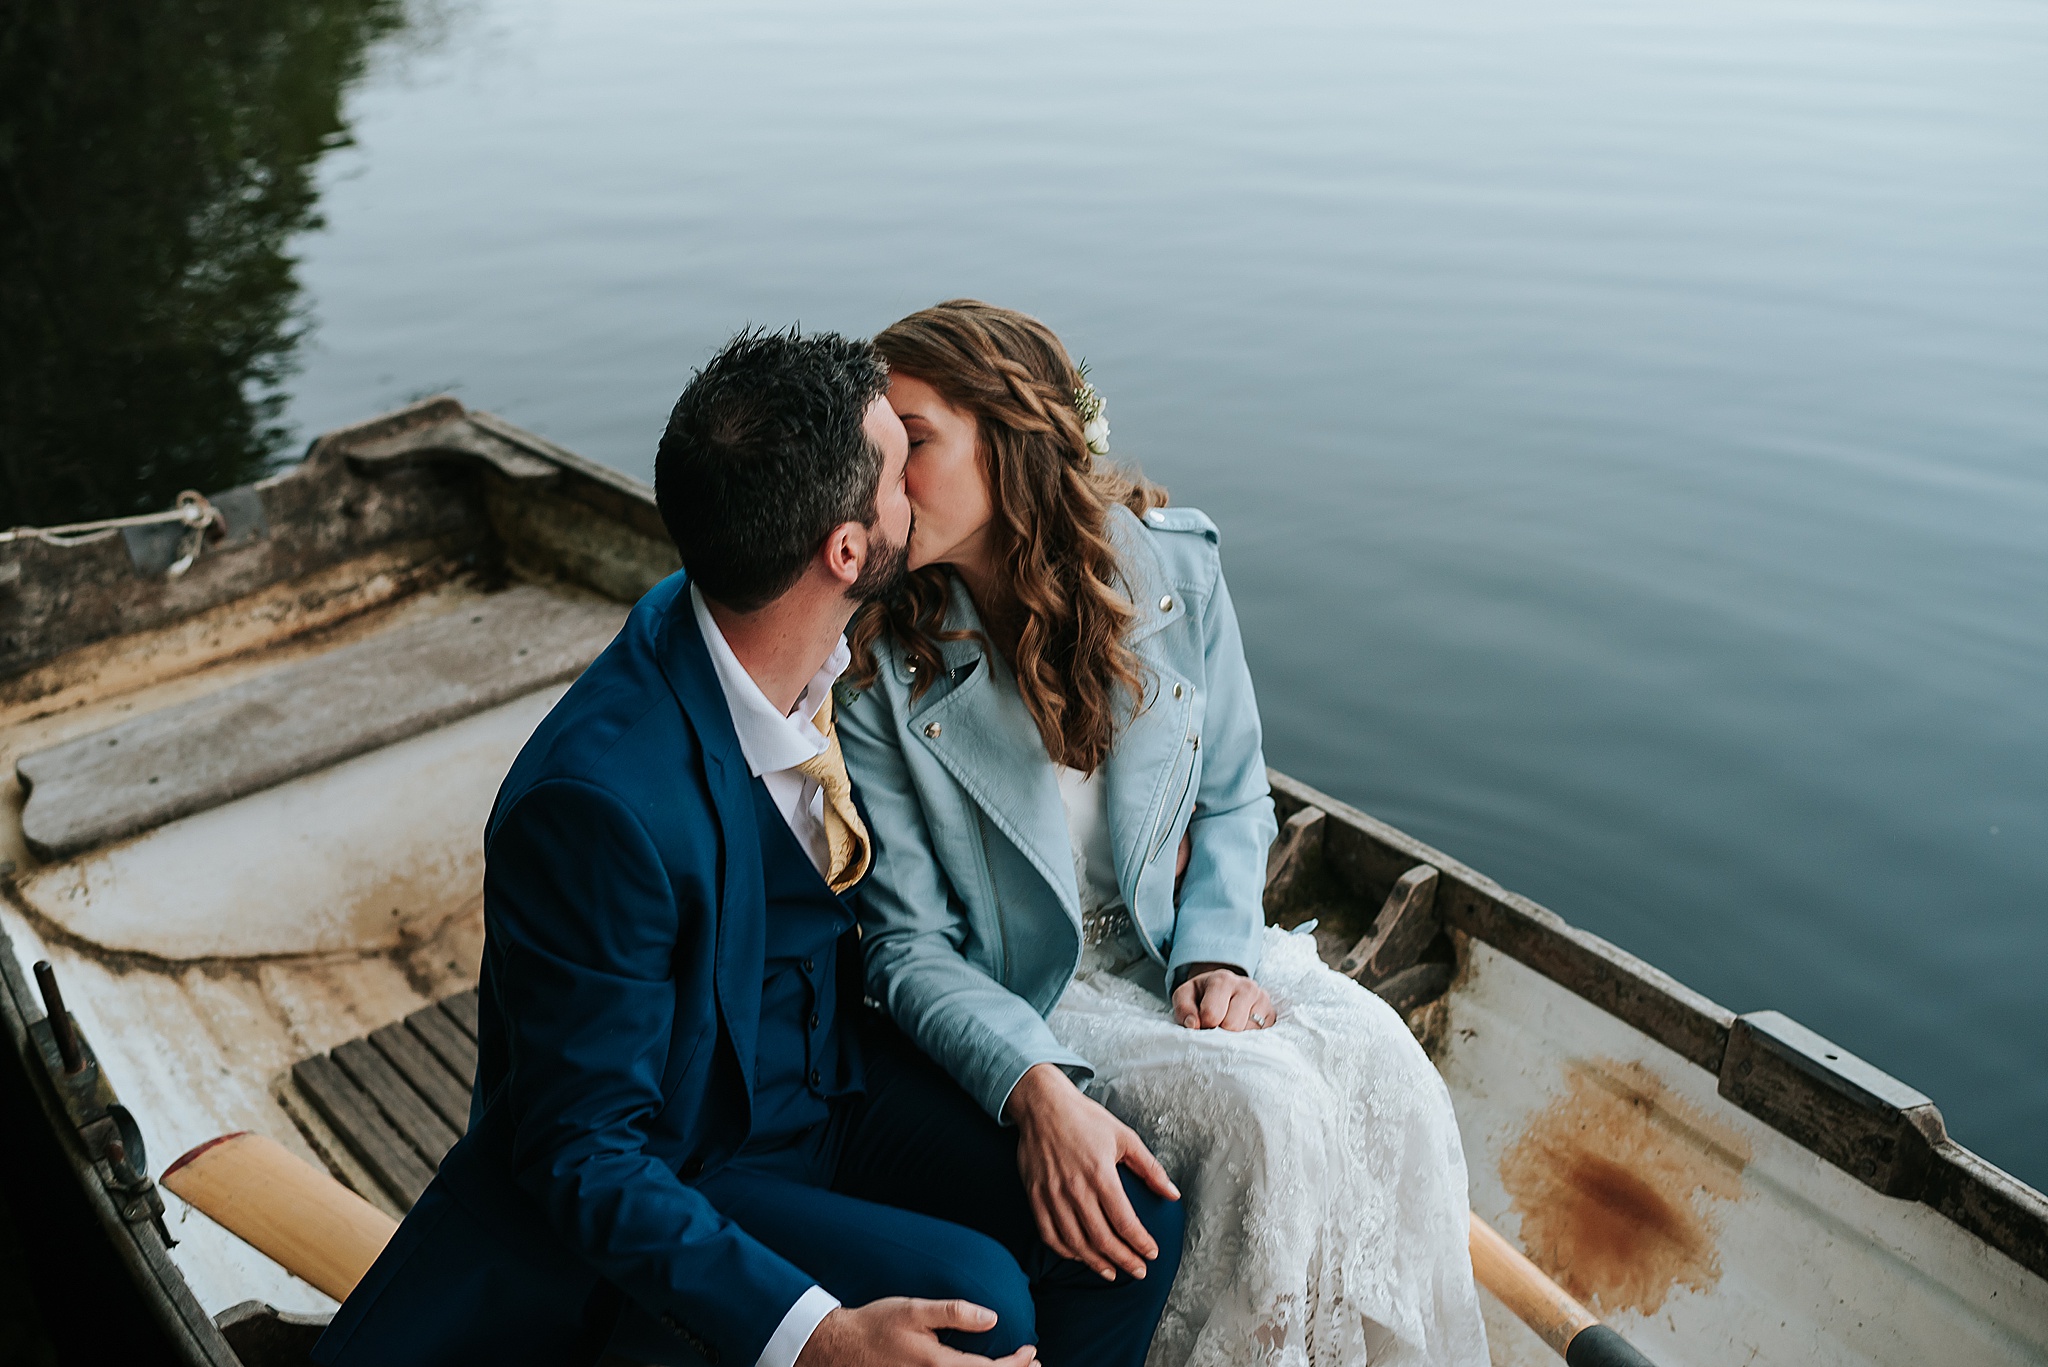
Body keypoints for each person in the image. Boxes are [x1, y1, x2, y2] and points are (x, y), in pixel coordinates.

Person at [313, 328, 1182, 1367]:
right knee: (983, 1298)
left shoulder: (786, 626)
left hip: (838, 1080)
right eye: (898, 467)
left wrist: (1038, 1084)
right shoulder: (593, 808)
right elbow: (581, 1151)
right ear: (847, 550)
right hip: (691, 1154)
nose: (920, 481)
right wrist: (814, 1335)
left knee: (1126, 1219)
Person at [837, 301, 1491, 1367]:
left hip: (1180, 934)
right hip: (1037, 991)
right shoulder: (882, 663)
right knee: (1266, 1114)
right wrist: (1031, 1083)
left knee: (1389, 1069)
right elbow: (904, 945)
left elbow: (1234, 797)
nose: (883, 485)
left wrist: (1219, 950)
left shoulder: (1177, 574)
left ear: (1010, 437)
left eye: (911, 444)